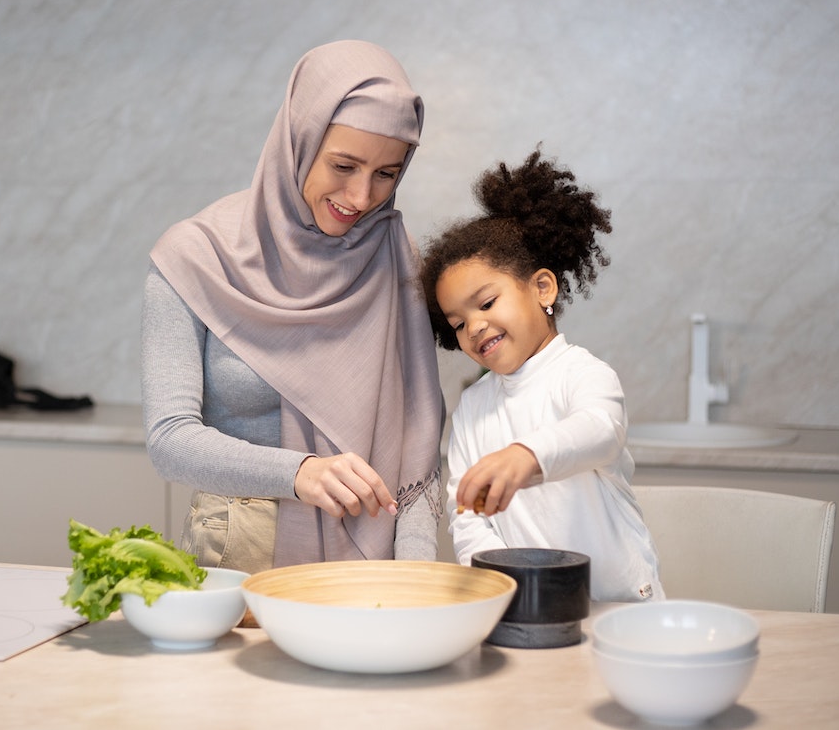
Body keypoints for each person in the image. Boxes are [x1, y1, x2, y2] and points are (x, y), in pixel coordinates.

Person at [142, 40, 445, 574]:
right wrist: (299, 472)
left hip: (368, 564)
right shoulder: (196, 255)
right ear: (298, 140)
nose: (360, 196)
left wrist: (413, 575)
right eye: (344, 165)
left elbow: (418, 444)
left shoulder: (393, 257)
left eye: (387, 174)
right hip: (237, 554)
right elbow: (170, 439)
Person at [418, 147, 663, 602]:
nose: (473, 327)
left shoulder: (584, 374)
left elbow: (598, 431)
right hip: (526, 607)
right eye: (457, 323)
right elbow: (467, 519)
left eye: (486, 303)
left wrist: (526, 455)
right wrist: (501, 584)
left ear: (542, 287)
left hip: (620, 608)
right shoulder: (472, 408)